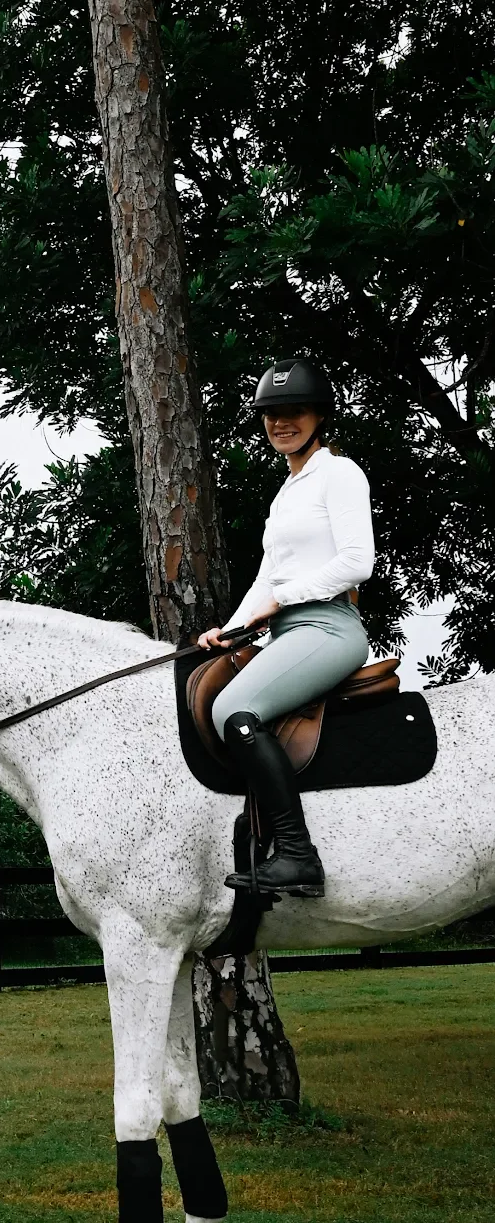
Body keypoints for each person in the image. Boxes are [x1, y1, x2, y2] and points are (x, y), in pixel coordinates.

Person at [198, 358, 373, 897]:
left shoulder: (338, 473)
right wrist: (228, 629)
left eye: (293, 411)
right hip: (290, 630)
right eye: (271, 414)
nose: (281, 423)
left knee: (233, 711)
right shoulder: (287, 491)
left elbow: (357, 561)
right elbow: (268, 578)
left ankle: (298, 855)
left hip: (329, 628)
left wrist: (281, 601)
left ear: (319, 415)